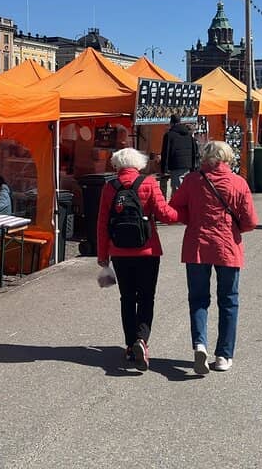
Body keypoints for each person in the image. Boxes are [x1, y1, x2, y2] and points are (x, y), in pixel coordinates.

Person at [169, 141, 258, 375]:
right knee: (229, 300)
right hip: (227, 246)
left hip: (197, 245)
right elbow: (250, 221)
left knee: (198, 299)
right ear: (228, 158)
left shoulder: (192, 180)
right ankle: (223, 355)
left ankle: (200, 344)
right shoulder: (239, 183)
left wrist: (194, 218)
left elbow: (175, 207)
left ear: (204, 157)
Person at [96, 148, 177, 371]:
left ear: (116, 164)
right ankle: (142, 339)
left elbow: (102, 224)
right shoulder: (149, 182)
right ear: (138, 163)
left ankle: (131, 346)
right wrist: (185, 213)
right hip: (147, 251)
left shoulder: (109, 187)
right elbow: (165, 215)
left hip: (119, 252)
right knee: (147, 297)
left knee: (127, 298)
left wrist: (103, 256)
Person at [160, 114, 200, 196]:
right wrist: (194, 166)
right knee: (186, 188)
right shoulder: (189, 135)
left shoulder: (169, 135)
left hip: (176, 165)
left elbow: (165, 153)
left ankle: (179, 207)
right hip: (188, 166)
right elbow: (194, 151)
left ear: (171, 123)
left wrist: (164, 169)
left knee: (177, 190)